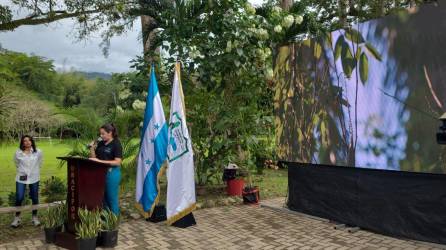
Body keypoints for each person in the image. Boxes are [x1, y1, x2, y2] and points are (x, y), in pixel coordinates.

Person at [89, 123, 122, 215]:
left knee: (111, 198)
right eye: (100, 134)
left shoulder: (116, 144)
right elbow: (93, 157)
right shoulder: (101, 143)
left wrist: (99, 162)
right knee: (102, 198)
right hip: (100, 173)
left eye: (103, 134)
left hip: (112, 174)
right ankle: (106, 221)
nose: (101, 136)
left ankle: (114, 222)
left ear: (110, 133)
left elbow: (117, 162)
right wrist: (91, 148)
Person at [11, 135, 43, 228]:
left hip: (34, 177)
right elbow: (16, 163)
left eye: (29, 140)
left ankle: (34, 217)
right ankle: (17, 218)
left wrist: (34, 171)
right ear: (22, 143)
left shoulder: (38, 152)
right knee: (19, 197)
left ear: (32, 142)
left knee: (34, 197)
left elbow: (40, 162)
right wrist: (23, 171)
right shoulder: (18, 153)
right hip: (22, 177)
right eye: (25, 141)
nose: (27, 142)